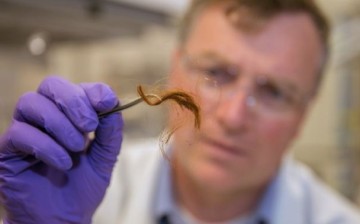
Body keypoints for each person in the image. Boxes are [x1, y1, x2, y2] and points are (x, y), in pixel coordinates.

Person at [1, 0, 360, 223]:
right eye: (215, 73)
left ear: (303, 114)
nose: (233, 117)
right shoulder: (88, 192)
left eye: (275, 92)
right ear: (175, 69)